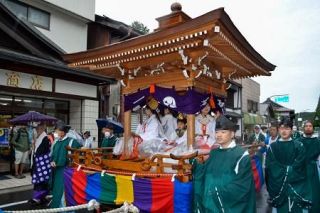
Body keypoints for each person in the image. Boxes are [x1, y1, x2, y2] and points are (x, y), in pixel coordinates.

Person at [193, 116, 256, 212]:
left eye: (223, 132)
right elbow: (204, 173)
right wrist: (196, 163)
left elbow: (243, 184)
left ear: (232, 134)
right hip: (210, 203)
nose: (219, 135)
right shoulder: (214, 153)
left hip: (227, 204)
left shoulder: (241, 154)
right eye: (217, 132)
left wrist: (217, 192)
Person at [265, 117, 311, 212]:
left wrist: (285, 172)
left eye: (287, 128)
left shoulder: (299, 146)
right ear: (278, 130)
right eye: (281, 128)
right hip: (278, 187)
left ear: (291, 130)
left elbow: (301, 166)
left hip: (296, 186)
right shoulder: (272, 147)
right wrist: (288, 171)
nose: (284, 131)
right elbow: (270, 167)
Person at [50, 121, 81, 208]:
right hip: (56, 171)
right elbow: (53, 155)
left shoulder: (72, 142)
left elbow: (80, 152)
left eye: (56, 131)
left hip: (67, 171)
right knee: (56, 190)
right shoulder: (56, 142)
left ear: (63, 132)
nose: (55, 133)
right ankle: (56, 208)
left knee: (64, 190)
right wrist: (52, 161)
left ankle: (64, 209)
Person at [299, 120, 320, 213]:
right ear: (303, 128)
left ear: (313, 128)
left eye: (310, 126)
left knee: (314, 191)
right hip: (300, 170)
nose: (308, 127)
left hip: (313, 169)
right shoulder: (298, 141)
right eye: (306, 126)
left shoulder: (317, 141)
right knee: (301, 191)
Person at [29, 124, 51, 205]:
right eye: (36, 129)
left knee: (40, 181)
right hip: (38, 163)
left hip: (42, 164)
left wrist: (35, 149)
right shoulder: (40, 138)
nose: (36, 131)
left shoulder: (45, 138)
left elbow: (41, 151)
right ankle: (40, 197)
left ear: (42, 129)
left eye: (38, 129)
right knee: (39, 181)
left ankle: (38, 198)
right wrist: (34, 145)